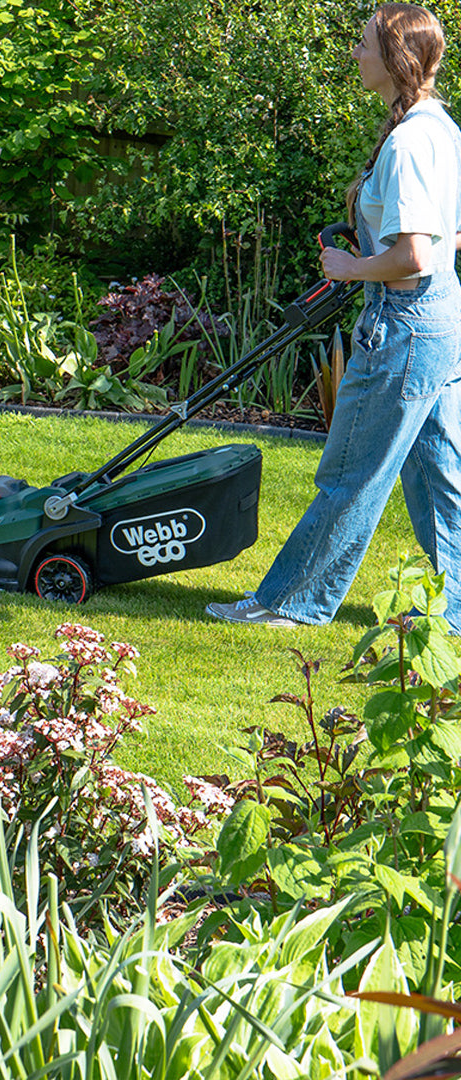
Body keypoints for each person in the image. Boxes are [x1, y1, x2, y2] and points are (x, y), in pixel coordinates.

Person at [206, 2, 461, 631]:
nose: (354, 53)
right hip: (440, 323)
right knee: (441, 479)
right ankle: (455, 611)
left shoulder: (408, 142)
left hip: (404, 324)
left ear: (396, 57)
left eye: (364, 44)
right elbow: (448, 238)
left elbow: (414, 258)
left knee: (352, 473)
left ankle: (293, 602)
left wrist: (350, 268)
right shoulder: (441, 127)